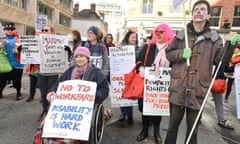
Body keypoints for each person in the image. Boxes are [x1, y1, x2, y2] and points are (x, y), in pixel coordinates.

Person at [164, 1, 235, 143]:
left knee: (193, 130)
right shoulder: (180, 34)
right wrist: (180, 53)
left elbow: (220, 62)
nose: (199, 11)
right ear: (192, 14)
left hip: (198, 92)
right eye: (196, 9)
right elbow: (168, 54)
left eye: (203, 9)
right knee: (172, 127)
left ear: (208, 15)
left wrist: (230, 45)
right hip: (178, 89)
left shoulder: (214, 39)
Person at [136, 23, 174, 144]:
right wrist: (141, 68)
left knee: (158, 109)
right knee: (145, 109)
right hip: (146, 83)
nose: (158, 34)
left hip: (161, 85)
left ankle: (156, 132)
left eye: (161, 32)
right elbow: (139, 60)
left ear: (167, 33)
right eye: (156, 32)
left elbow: (175, 64)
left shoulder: (171, 49)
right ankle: (144, 130)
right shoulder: (148, 47)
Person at [37, 25, 59, 120]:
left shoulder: (58, 43)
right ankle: (45, 110)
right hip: (41, 72)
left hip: (53, 73)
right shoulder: (38, 43)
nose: (44, 32)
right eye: (42, 30)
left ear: (51, 32)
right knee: (43, 94)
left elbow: (63, 57)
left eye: (46, 30)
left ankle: (52, 112)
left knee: (51, 93)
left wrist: (66, 51)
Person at [119, 29, 138, 125]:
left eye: (136, 37)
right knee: (121, 93)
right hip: (122, 74)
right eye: (133, 37)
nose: (134, 39)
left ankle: (129, 116)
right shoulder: (121, 48)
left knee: (129, 96)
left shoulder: (138, 49)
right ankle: (123, 114)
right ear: (128, 37)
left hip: (133, 75)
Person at [0, 23, 24, 100]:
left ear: (14, 30)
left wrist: (18, 50)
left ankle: (18, 93)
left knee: (17, 81)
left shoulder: (19, 38)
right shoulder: (2, 39)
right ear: (4, 30)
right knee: (2, 81)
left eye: (12, 29)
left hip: (17, 64)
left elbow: (24, 49)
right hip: (5, 64)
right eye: (8, 29)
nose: (10, 30)